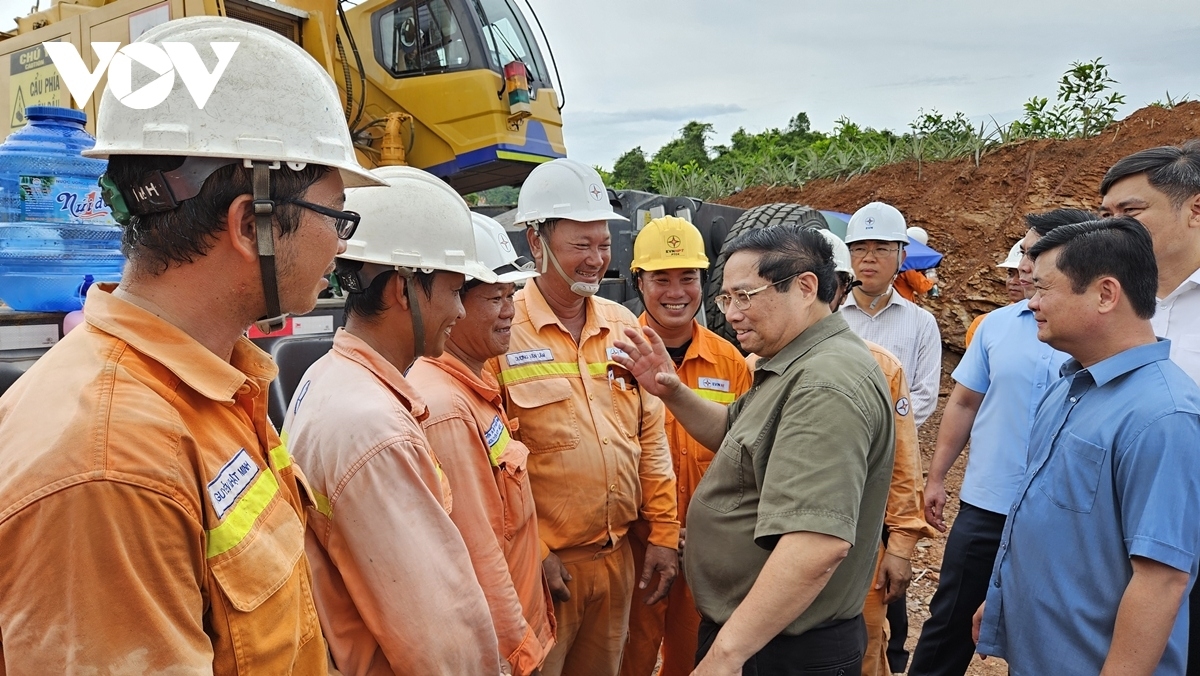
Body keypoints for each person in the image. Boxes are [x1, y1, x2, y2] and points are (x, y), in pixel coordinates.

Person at [0, 17, 382, 671]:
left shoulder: (215, 385)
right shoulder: (111, 464)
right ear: (248, 224)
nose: (342, 244)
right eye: (336, 215)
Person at [613, 224, 894, 675]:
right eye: (726, 299)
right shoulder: (793, 363)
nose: (733, 313)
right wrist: (671, 391)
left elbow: (816, 544)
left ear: (804, 288)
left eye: (745, 296)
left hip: (781, 649)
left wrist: (726, 656)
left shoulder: (824, 385)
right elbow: (734, 431)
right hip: (761, 636)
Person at [283, 166, 503, 674]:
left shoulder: (329, 377)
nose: (460, 312)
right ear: (404, 291)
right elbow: (439, 641)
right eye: (452, 291)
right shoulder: (374, 428)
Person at [975, 217, 1200, 674]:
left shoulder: (1164, 416)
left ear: (1105, 294)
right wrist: (1003, 598)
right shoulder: (1069, 386)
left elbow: (1161, 581)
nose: (1032, 302)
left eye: (1044, 289)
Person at [489, 158, 679, 676]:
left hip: (617, 561)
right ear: (535, 242)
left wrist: (663, 530)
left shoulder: (624, 328)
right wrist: (537, 551)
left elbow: (652, 438)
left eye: (603, 244)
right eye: (581, 246)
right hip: (545, 570)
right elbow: (491, 461)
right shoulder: (503, 333)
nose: (597, 259)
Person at [908, 209, 1092, 676]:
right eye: (1024, 252)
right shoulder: (994, 327)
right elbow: (965, 403)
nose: (1023, 263)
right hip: (987, 503)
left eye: (1033, 254)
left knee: (1045, 632)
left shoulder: (1094, 334)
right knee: (948, 620)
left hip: (1064, 514)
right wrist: (936, 477)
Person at [408, 214, 556, 676]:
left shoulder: (475, 379)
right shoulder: (447, 408)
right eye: (495, 297)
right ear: (453, 303)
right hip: (503, 649)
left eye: (511, 295)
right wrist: (516, 654)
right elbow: (479, 550)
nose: (510, 309)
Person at [618, 217, 752, 676]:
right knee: (627, 658)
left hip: (704, 552)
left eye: (687, 278)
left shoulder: (729, 361)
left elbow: (745, 458)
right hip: (633, 548)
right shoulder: (612, 355)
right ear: (638, 282)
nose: (676, 292)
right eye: (661, 279)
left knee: (693, 661)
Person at [815, 229, 937, 676]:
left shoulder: (881, 366)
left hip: (858, 547)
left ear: (838, 290)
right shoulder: (756, 367)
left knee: (865, 649)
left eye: (828, 285)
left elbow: (904, 466)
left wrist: (901, 545)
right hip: (774, 549)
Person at [1098, 140, 1200, 672]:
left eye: (1130, 212)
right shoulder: (1110, 306)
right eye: (1106, 214)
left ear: (1195, 209)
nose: (1114, 228)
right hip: (1118, 538)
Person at [841, 202, 941, 428]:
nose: (869, 257)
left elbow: (924, 396)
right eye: (859, 248)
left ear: (901, 257)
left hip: (892, 451)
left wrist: (880, 434)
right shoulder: (827, 315)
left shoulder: (922, 324)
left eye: (882, 248)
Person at [963, 242, 1024, 348]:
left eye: (1023, 274)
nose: (1013, 281)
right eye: (1010, 274)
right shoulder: (983, 324)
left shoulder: (1052, 327)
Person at [894, 226, 936, 301]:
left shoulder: (896, 256)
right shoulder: (908, 262)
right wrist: (932, 280)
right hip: (901, 303)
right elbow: (921, 287)